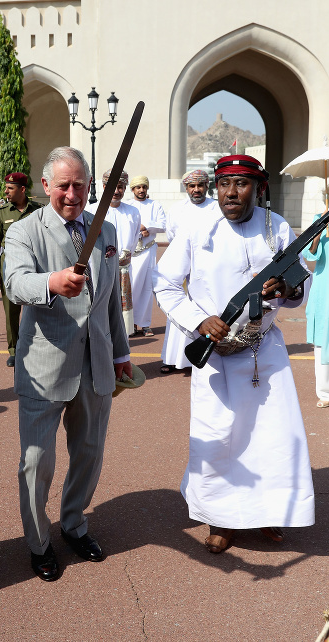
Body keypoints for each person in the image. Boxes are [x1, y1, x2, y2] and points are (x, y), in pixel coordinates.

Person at [153, 154, 314, 554]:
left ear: (258, 188)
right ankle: (221, 518)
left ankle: (270, 510)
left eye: (241, 184)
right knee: (217, 437)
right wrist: (200, 319)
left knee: (273, 437)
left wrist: (288, 290)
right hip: (217, 354)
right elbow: (166, 283)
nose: (231, 193)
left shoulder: (277, 227)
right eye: (224, 184)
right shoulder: (196, 226)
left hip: (265, 350)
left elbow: (299, 290)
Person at [4, 147, 131, 581]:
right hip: (45, 368)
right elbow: (15, 282)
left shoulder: (106, 230)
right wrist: (52, 283)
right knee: (37, 461)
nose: (72, 194)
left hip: (95, 365)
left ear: (89, 185)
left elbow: (110, 298)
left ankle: (74, 524)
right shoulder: (25, 231)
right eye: (63, 185)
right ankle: (39, 543)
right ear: (45, 187)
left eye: (79, 184)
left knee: (89, 454)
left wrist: (120, 353)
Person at [159, 170, 218, 373]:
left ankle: (201, 356)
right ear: (186, 188)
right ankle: (172, 358)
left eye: (200, 185)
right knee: (177, 308)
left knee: (204, 310)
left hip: (206, 267)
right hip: (180, 266)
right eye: (192, 186)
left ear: (207, 186)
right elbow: (171, 236)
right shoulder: (176, 210)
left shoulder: (216, 208)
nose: (196, 190)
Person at [0, 172, 41, 367]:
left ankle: (37, 347)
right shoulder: (2, 212)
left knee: (37, 307)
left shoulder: (38, 210)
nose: (6, 191)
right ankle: (14, 350)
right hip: (9, 266)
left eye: (10, 188)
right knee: (11, 310)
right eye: (6, 187)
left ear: (22, 189)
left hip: (35, 265)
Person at [90, 170, 141, 337]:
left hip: (123, 270)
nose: (116, 191)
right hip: (100, 268)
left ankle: (121, 351)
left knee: (122, 312)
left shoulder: (133, 212)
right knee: (101, 308)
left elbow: (134, 239)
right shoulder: (91, 210)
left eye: (120, 187)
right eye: (113, 187)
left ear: (125, 188)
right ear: (104, 187)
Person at [126, 175, 166, 337]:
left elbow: (163, 225)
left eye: (144, 187)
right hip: (130, 254)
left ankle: (145, 325)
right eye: (138, 187)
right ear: (133, 189)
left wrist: (147, 226)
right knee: (130, 287)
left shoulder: (155, 205)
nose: (141, 190)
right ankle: (131, 324)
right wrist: (138, 228)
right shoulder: (127, 206)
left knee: (147, 288)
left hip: (148, 251)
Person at [302, 204, 329, 408]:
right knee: (323, 336)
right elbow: (311, 255)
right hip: (324, 289)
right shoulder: (319, 218)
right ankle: (325, 391)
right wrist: (320, 228)